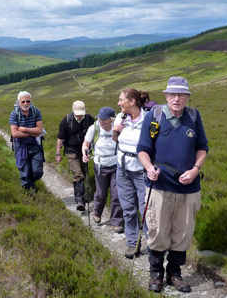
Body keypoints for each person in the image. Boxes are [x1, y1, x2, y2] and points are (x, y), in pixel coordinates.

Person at [137, 77, 208, 293]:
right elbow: (142, 149)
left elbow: (202, 148)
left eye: (181, 95)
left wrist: (195, 169)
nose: (177, 99)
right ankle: (156, 274)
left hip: (189, 188)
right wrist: (149, 167)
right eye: (172, 94)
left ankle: (174, 274)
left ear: (187, 97)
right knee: (158, 231)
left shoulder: (194, 117)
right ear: (166, 96)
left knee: (183, 233)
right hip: (159, 186)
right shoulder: (154, 116)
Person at [113, 88, 152, 259]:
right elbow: (116, 139)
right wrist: (116, 131)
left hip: (141, 170)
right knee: (128, 208)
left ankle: (152, 244)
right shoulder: (121, 117)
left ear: (132, 102)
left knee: (146, 209)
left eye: (121, 100)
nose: (119, 103)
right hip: (122, 168)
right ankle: (132, 243)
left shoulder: (148, 119)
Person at [82, 106, 124, 232]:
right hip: (100, 164)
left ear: (111, 119)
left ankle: (116, 222)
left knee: (116, 194)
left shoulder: (118, 128)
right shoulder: (94, 128)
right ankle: (97, 212)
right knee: (101, 193)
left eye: (104, 119)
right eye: (100, 118)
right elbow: (86, 144)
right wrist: (85, 153)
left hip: (116, 164)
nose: (101, 121)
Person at [56, 100, 95, 211]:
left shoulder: (89, 119)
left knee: (83, 172)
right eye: (77, 115)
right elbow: (60, 138)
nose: (79, 117)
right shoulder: (66, 120)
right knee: (78, 174)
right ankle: (80, 200)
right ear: (73, 112)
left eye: (81, 114)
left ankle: (81, 195)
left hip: (85, 151)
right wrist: (58, 153)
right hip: (71, 150)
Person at [9, 91, 45, 192]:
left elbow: (39, 130)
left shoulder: (36, 111)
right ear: (19, 102)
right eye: (23, 101)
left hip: (34, 145)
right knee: (24, 173)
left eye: (28, 101)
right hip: (21, 146)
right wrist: (31, 133)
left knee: (38, 171)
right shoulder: (14, 114)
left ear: (31, 101)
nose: (26, 104)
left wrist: (24, 129)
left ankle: (32, 183)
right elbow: (15, 133)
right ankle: (29, 195)